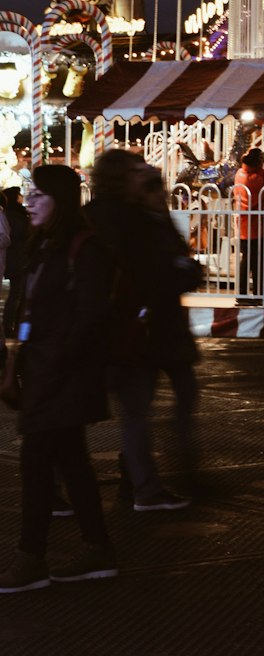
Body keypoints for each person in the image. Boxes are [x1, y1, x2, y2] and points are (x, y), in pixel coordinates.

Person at [0, 164, 116, 592]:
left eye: (38, 195)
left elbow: (89, 317)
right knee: (72, 464)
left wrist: (57, 362)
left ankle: (31, 558)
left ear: (60, 201)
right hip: (45, 373)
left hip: (64, 377)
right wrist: (20, 363)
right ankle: (98, 548)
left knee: (37, 464)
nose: (28, 202)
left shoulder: (84, 248)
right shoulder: (45, 246)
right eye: (29, 195)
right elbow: (33, 312)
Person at [87, 148, 196, 512]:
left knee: (84, 410)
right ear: (122, 178)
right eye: (136, 170)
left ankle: (130, 480)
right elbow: (166, 270)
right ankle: (144, 487)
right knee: (134, 413)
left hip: (102, 328)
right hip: (135, 328)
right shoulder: (136, 220)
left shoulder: (90, 216)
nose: (144, 173)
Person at [234, 147, 264, 297]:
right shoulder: (257, 178)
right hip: (255, 225)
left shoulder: (240, 173)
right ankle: (256, 292)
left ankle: (244, 291)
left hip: (244, 225)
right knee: (255, 261)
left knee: (248, 259)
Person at [2, 188, 29, 343]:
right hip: (18, 260)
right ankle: (10, 326)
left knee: (18, 294)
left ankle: (12, 326)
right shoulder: (15, 215)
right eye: (19, 195)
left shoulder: (9, 214)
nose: (22, 197)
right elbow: (20, 234)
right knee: (17, 295)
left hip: (16, 259)